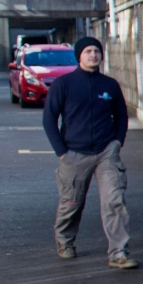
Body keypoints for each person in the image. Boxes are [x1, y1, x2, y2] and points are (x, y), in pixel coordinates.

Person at [43, 36, 136, 268]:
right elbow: (49, 119)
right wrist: (62, 152)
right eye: (88, 51)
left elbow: (122, 116)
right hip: (74, 152)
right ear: (79, 56)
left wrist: (117, 142)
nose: (93, 55)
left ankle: (118, 254)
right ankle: (65, 241)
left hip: (106, 152)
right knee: (72, 202)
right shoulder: (63, 84)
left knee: (115, 201)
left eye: (96, 51)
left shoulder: (110, 85)